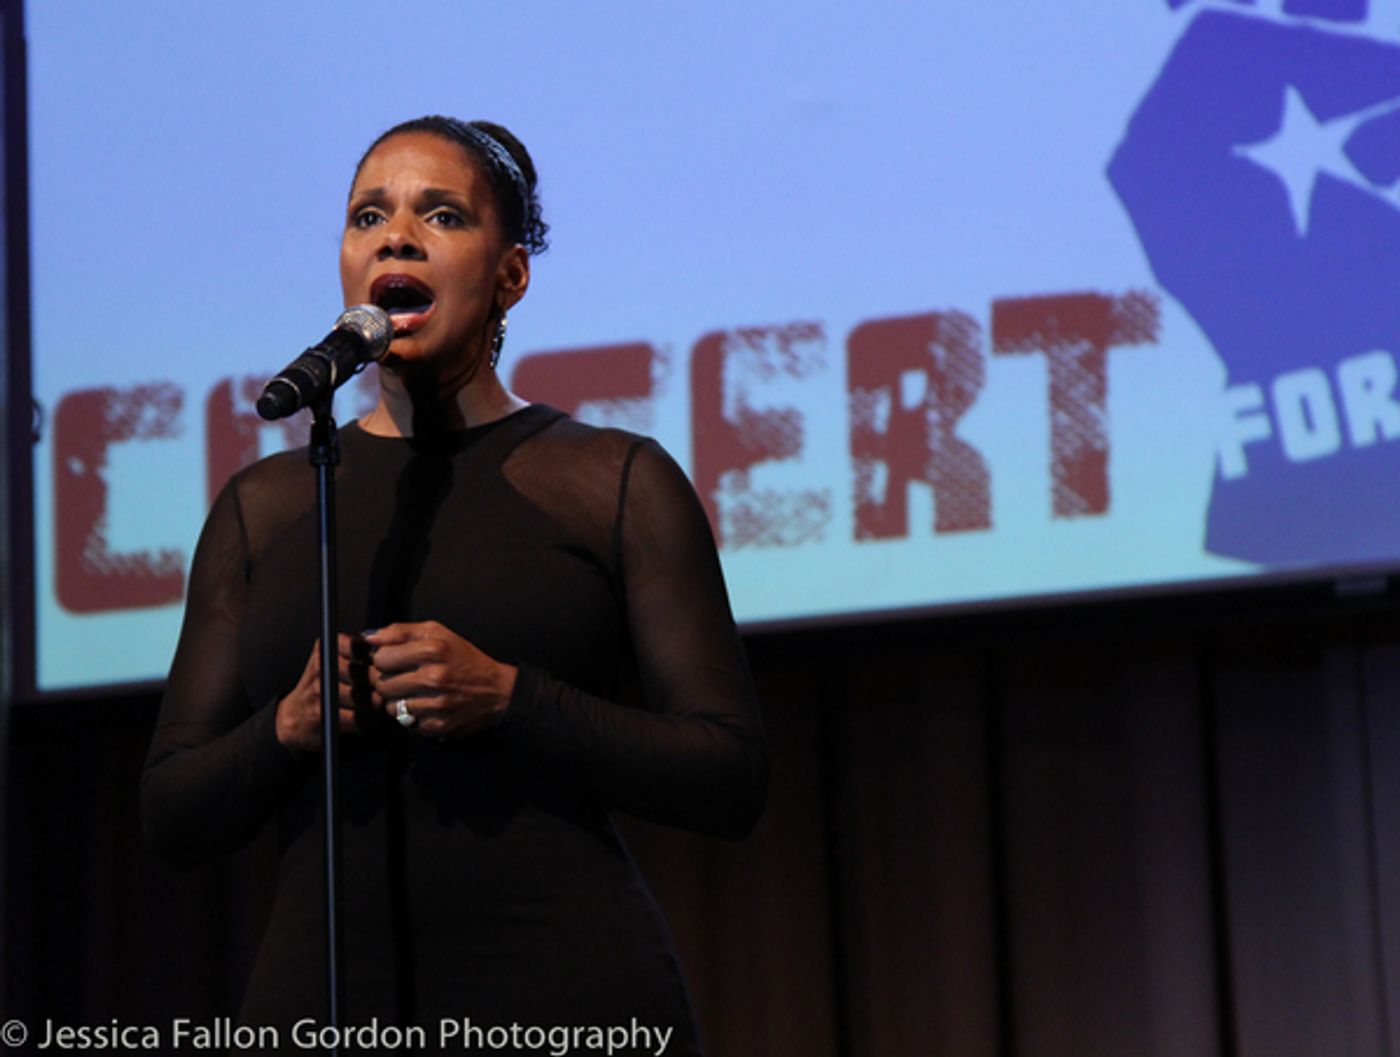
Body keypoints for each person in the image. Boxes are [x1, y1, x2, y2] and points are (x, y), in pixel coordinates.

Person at [142, 116, 767, 1055]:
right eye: (368, 217)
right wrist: (286, 726)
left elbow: (729, 773)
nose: (396, 236)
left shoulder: (613, 482)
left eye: (441, 214)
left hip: (562, 994)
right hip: (325, 1000)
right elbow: (171, 810)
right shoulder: (263, 507)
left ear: (510, 274)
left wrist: (514, 700)